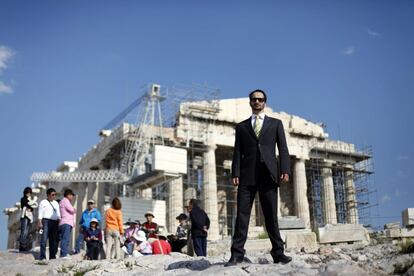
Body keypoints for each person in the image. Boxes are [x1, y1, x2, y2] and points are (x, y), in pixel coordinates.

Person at [225, 89, 292, 267]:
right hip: (247, 175)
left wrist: (284, 169)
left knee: (271, 216)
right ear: (250, 102)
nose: (257, 102)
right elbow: (237, 152)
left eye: (260, 99)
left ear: (265, 102)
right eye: (254, 99)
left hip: (269, 174)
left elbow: (283, 149)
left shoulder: (276, 124)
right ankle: (237, 254)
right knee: (242, 216)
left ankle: (278, 253)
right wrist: (235, 173)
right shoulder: (241, 127)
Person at [38, 188, 61, 260]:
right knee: (44, 239)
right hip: (46, 221)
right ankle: (42, 256)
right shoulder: (43, 202)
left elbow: (58, 214)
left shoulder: (56, 203)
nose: (54, 196)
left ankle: (52, 256)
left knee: (53, 240)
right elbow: (40, 213)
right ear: (48, 195)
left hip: (54, 222)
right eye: (52, 195)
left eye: (55, 195)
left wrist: (59, 221)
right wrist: (39, 222)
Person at [19, 187, 38, 252]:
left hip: (29, 217)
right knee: (23, 231)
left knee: (27, 232)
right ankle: (22, 246)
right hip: (24, 216)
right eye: (27, 193)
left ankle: (24, 246)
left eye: (30, 193)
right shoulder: (23, 199)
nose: (28, 194)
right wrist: (33, 202)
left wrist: (30, 207)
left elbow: (32, 207)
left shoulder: (29, 200)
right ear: (25, 193)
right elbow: (27, 204)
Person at [58, 189, 76, 258]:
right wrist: (74, 209)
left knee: (66, 239)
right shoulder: (65, 201)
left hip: (67, 222)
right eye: (72, 195)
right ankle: (63, 254)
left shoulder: (65, 201)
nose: (72, 197)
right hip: (66, 222)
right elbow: (71, 209)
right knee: (65, 239)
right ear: (68, 195)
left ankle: (64, 253)